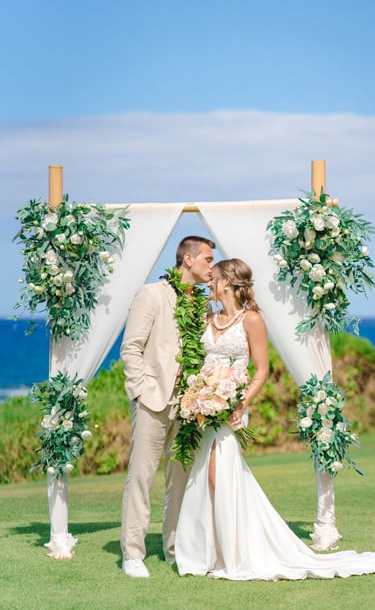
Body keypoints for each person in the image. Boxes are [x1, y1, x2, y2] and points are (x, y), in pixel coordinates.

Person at [175, 258, 375, 580]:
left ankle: (237, 550)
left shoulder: (252, 320)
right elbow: (200, 358)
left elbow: (261, 370)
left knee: (220, 474)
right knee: (208, 474)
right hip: (206, 405)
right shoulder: (209, 317)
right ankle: (212, 551)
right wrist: (199, 393)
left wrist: (239, 401)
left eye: (213, 279)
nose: (209, 284)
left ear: (228, 282)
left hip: (232, 405)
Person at [120, 235, 215, 578]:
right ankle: (132, 553)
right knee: (141, 476)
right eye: (206, 259)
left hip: (189, 405)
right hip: (153, 399)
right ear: (187, 260)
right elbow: (130, 348)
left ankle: (174, 547)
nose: (211, 267)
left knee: (180, 478)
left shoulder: (202, 305)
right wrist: (141, 391)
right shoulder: (151, 294)